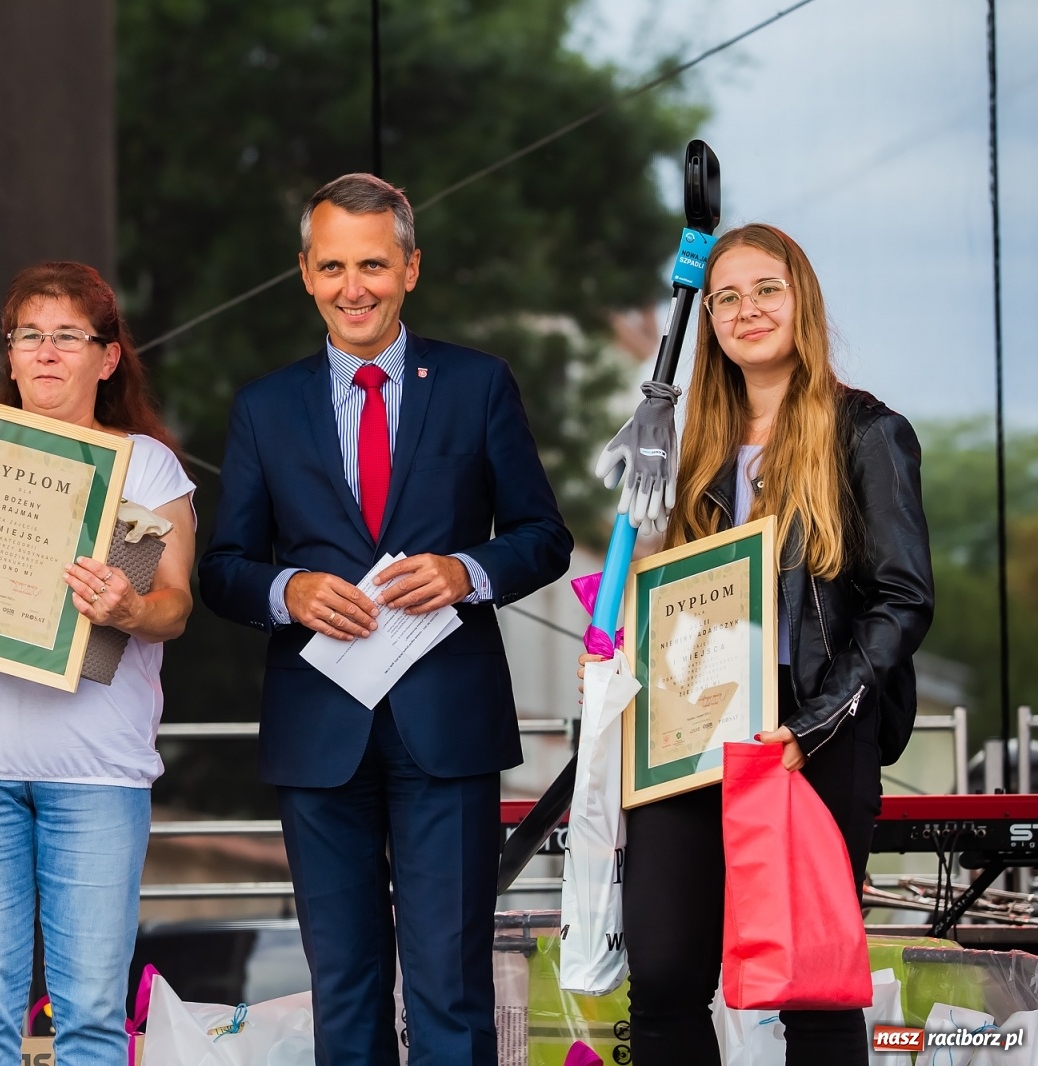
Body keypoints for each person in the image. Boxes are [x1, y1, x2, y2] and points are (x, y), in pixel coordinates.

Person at [199, 173, 573, 1064]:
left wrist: (466, 571)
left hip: (447, 727)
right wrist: (287, 591)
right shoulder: (265, 406)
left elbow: (544, 536)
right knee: (345, 987)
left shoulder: (478, 385)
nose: (352, 286)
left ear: (411, 268)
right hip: (319, 730)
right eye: (332, 266)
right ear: (305, 274)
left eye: (372, 264)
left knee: (451, 985)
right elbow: (222, 569)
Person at [604, 223, 933, 1065]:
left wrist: (814, 724)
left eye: (766, 290)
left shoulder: (868, 432)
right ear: (709, 319)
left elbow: (903, 599)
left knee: (809, 987)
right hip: (695, 725)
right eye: (726, 298)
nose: (746, 310)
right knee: (664, 977)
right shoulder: (693, 445)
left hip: (811, 729)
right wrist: (618, 655)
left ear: (802, 301)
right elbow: (668, 597)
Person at [0, 261, 196, 1065]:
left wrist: (128, 609)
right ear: (10, 354)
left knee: (91, 1015)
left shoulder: (145, 465)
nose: (47, 352)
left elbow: (175, 608)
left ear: (108, 358)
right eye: (29, 336)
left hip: (98, 769)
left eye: (68, 337)